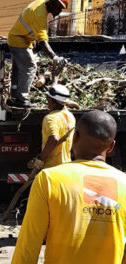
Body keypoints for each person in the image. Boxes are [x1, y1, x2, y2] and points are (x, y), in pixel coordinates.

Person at [11, 110, 126, 264]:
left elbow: (29, 242)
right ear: (111, 146)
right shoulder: (124, 183)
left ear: (75, 137)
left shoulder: (49, 179)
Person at [7, 0, 69, 108]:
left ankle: (14, 96)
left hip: (19, 38)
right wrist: (54, 57)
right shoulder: (40, 14)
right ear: (53, 1)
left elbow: (31, 26)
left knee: (18, 69)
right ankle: (22, 99)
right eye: (59, 7)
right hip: (19, 41)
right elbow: (43, 41)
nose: (59, 10)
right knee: (30, 66)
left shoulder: (40, 3)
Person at [28, 84, 76, 171]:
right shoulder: (70, 116)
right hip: (66, 167)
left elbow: (54, 139)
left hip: (52, 168)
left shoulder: (51, 118)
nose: (47, 102)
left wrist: (41, 158)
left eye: (48, 99)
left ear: (53, 101)